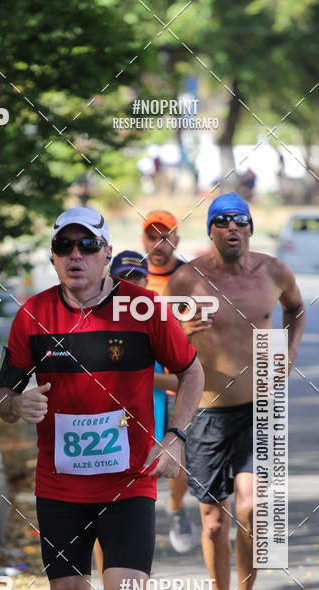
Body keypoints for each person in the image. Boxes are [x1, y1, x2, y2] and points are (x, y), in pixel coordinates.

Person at [0, 206, 204, 590]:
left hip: (128, 480)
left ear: (108, 252)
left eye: (88, 246)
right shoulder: (33, 316)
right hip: (59, 484)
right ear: (55, 256)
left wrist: (176, 436)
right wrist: (18, 403)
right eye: (65, 247)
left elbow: (192, 370)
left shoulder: (142, 308)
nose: (76, 256)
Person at [164, 193, 306, 590]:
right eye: (221, 222)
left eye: (239, 221)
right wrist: (180, 351)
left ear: (249, 228)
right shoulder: (187, 279)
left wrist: (290, 348)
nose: (231, 228)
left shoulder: (274, 273)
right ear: (210, 231)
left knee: (252, 510)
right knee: (212, 524)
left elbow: (296, 309)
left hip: (260, 408)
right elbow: (164, 342)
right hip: (206, 414)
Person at [87, 250, 150, 590]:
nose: (130, 285)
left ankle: (131, 586)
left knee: (138, 515)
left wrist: (140, 375)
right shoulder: (96, 317)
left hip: (153, 427)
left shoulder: (156, 317)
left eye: (137, 277)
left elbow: (187, 375)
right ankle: (107, 589)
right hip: (108, 434)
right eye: (123, 276)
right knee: (101, 515)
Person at [142, 211, 195, 554]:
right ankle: (133, 519)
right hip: (138, 379)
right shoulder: (131, 274)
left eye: (166, 236)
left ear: (177, 240)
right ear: (142, 239)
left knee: (182, 460)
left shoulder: (191, 278)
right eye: (152, 236)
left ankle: (176, 506)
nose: (158, 244)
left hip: (179, 376)